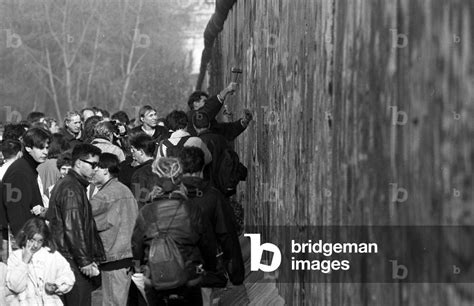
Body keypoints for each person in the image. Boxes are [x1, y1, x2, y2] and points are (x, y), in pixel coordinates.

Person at [132, 157, 205, 305]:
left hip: (156, 274)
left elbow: (136, 244)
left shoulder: (146, 211)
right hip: (189, 273)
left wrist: (138, 266)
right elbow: (206, 241)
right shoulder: (191, 208)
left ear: (156, 179)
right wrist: (209, 264)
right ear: (180, 179)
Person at [47, 143, 105, 306]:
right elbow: (73, 227)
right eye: (93, 164)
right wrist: (84, 260)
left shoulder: (72, 184)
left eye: (98, 165)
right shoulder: (71, 187)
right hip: (71, 261)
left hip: (68, 258)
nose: (96, 169)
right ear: (79, 163)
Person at [179, 147, 244, 291]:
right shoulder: (213, 197)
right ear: (203, 167)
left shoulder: (168, 195)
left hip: (171, 271)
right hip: (204, 271)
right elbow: (226, 235)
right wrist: (236, 275)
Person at [90, 153, 138, 306]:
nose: (91, 172)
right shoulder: (126, 191)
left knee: (113, 303)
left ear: (104, 170)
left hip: (113, 258)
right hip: (128, 257)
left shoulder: (103, 197)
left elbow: (85, 220)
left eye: (94, 168)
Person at [5, 217, 75, 305]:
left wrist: (56, 286)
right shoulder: (15, 257)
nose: (35, 245)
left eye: (40, 241)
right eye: (32, 240)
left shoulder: (52, 255)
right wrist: (24, 262)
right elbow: (15, 287)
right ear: (25, 236)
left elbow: (68, 277)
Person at [2, 128, 51, 236]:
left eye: (47, 147)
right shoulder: (19, 172)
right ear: (28, 148)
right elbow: (16, 211)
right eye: (40, 147)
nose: (45, 152)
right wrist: (25, 242)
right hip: (22, 240)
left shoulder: (28, 168)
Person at [129, 134, 159, 208]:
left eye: (133, 150)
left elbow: (138, 202)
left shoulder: (139, 174)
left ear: (141, 152)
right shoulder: (163, 168)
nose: (132, 154)